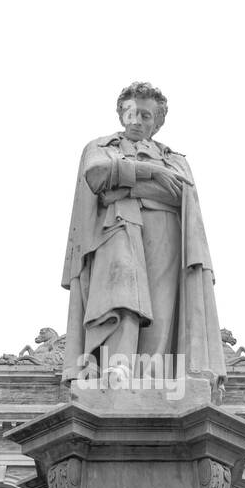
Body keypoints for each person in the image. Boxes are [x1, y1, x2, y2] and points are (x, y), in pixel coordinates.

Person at [61, 82, 225, 386]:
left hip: (165, 230)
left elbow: (181, 195)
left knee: (162, 306)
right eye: (131, 112)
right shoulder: (100, 147)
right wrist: (154, 174)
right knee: (120, 297)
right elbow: (96, 174)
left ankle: (153, 379)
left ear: (157, 122)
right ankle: (117, 367)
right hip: (117, 227)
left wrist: (122, 186)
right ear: (121, 113)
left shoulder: (174, 158)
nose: (136, 120)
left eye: (145, 116)